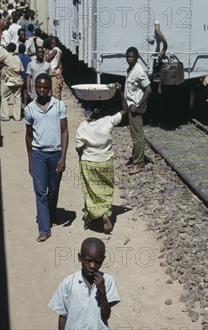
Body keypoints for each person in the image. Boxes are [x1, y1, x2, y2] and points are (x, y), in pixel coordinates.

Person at [75, 87, 128, 233]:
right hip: (106, 161)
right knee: (105, 189)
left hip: (89, 162)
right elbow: (125, 110)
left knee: (91, 191)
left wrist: (82, 153)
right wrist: (120, 93)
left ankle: (97, 214)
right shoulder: (108, 121)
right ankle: (105, 212)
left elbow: (78, 147)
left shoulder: (82, 127)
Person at [25, 73, 68, 242]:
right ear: (35, 87)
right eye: (38, 87)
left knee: (54, 188)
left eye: (45, 87)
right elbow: (28, 136)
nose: (41, 90)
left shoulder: (59, 106)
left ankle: (52, 213)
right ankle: (44, 228)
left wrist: (63, 157)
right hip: (39, 154)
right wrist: (30, 160)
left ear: (50, 88)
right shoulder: (29, 109)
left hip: (56, 154)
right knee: (41, 192)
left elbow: (64, 131)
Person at [49, 238, 120, 329]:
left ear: (103, 260)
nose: (92, 266)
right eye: (88, 261)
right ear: (80, 257)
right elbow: (63, 315)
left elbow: (106, 315)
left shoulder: (107, 280)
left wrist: (102, 292)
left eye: (97, 262)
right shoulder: (68, 283)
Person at [124, 47, 152, 175]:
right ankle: (136, 159)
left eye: (132, 56)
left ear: (136, 57)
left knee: (138, 137)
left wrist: (138, 104)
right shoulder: (131, 69)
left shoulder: (139, 71)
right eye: (128, 56)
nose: (129, 58)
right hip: (131, 106)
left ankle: (139, 164)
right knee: (135, 135)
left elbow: (148, 89)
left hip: (136, 107)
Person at [0, 42, 23, 121]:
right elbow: (21, 70)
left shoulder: (6, 55)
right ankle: (17, 116)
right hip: (18, 81)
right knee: (18, 99)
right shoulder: (17, 58)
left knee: (5, 98)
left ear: (8, 49)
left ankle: (5, 116)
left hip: (8, 81)